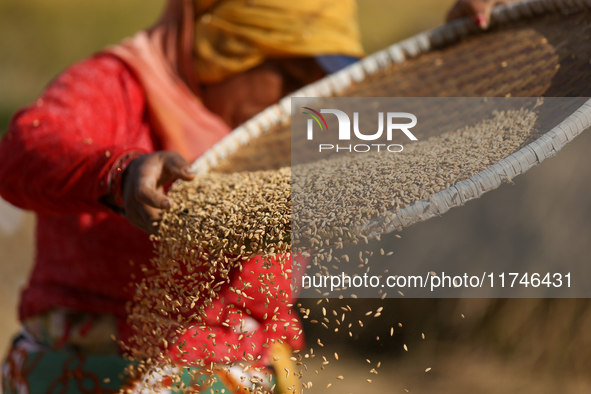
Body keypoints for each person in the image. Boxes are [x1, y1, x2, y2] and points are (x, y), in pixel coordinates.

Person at [0, 0, 509, 393]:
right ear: (225, 50)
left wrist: (462, 58)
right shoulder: (119, 87)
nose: (299, 106)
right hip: (89, 372)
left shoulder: (301, 126)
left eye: (318, 87)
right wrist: (118, 173)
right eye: (288, 78)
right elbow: (24, 151)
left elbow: (407, 137)